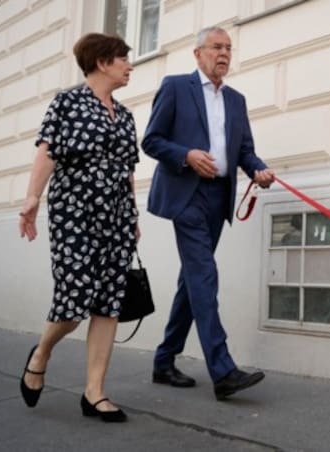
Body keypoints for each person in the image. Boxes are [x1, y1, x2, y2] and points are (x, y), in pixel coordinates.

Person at [143, 26, 274, 400]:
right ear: (198, 53)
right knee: (205, 275)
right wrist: (185, 155)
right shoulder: (174, 87)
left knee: (192, 281)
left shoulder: (236, 100)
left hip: (219, 197)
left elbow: (244, 150)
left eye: (228, 49)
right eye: (217, 47)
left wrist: (258, 169)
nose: (224, 54)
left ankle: (164, 360)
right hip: (186, 193)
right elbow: (151, 141)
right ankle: (222, 369)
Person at [18, 33, 139, 423]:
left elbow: (127, 172)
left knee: (108, 303)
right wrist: (32, 198)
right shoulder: (67, 102)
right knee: (73, 298)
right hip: (74, 212)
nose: (129, 65)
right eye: (123, 58)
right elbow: (47, 151)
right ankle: (41, 353)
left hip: (117, 216)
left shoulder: (126, 116)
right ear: (102, 62)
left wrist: (132, 217)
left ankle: (95, 393)